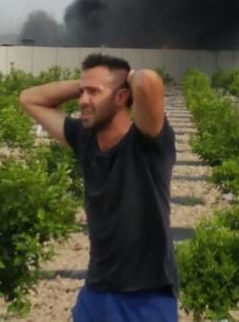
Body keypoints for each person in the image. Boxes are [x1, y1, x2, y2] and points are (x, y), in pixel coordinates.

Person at [19, 53, 178, 321]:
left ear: (121, 97)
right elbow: (29, 98)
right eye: (82, 93)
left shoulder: (147, 142)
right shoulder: (85, 139)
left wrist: (125, 77)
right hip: (97, 289)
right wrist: (86, 84)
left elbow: (149, 81)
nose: (82, 100)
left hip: (146, 296)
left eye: (93, 92)